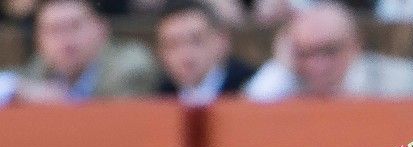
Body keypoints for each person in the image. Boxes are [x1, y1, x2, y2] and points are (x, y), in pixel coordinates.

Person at [243, 0, 413, 102]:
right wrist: (282, 67)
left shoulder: (401, 80)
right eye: (305, 53)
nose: (317, 64)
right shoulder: (286, 80)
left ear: (355, 45)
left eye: (329, 50)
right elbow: (250, 112)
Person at [1, 0, 158, 105]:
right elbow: (10, 83)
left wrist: (62, 101)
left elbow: (116, 121)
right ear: (38, 41)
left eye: (74, 26)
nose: (65, 38)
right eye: (53, 30)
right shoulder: (41, 66)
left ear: (101, 28)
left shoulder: (130, 65)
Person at [155, 1, 254, 105]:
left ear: (221, 41)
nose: (185, 55)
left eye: (196, 41)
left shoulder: (253, 88)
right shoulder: (159, 97)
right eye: (173, 45)